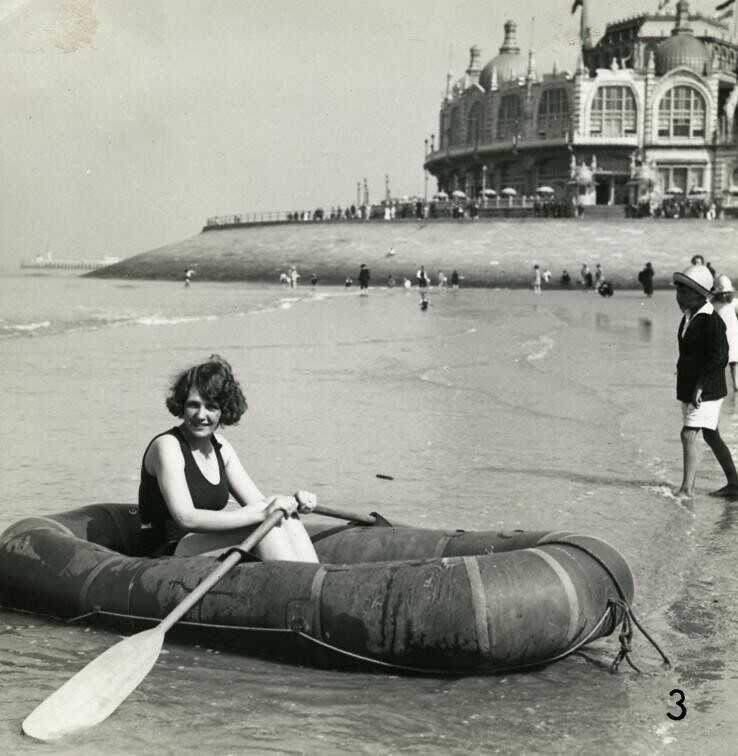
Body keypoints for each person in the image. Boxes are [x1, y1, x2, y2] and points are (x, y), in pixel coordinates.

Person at [137, 355, 319, 560]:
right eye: (193, 405)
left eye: (211, 407)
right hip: (166, 554)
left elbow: (260, 503)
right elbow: (185, 518)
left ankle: (309, 579)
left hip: (200, 542)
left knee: (279, 509)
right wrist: (262, 514)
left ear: (224, 410)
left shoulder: (222, 448)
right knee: (263, 521)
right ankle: (293, 586)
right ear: (182, 404)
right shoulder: (168, 446)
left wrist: (294, 501)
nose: (200, 415)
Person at [672, 266, 738, 499]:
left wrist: (700, 385)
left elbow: (720, 356)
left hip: (706, 389)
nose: (679, 296)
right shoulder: (689, 316)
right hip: (694, 387)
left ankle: (686, 490)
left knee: (689, 434)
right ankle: (734, 483)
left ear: (700, 294)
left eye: (685, 292)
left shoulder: (712, 320)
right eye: (678, 291)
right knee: (710, 434)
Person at [712, 275, 738, 392]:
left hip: (733, 335)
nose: (723, 295)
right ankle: (718, 386)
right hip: (719, 336)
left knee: (734, 361)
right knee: (719, 361)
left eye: (725, 293)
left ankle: (736, 385)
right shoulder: (713, 304)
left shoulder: (734, 303)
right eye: (721, 293)